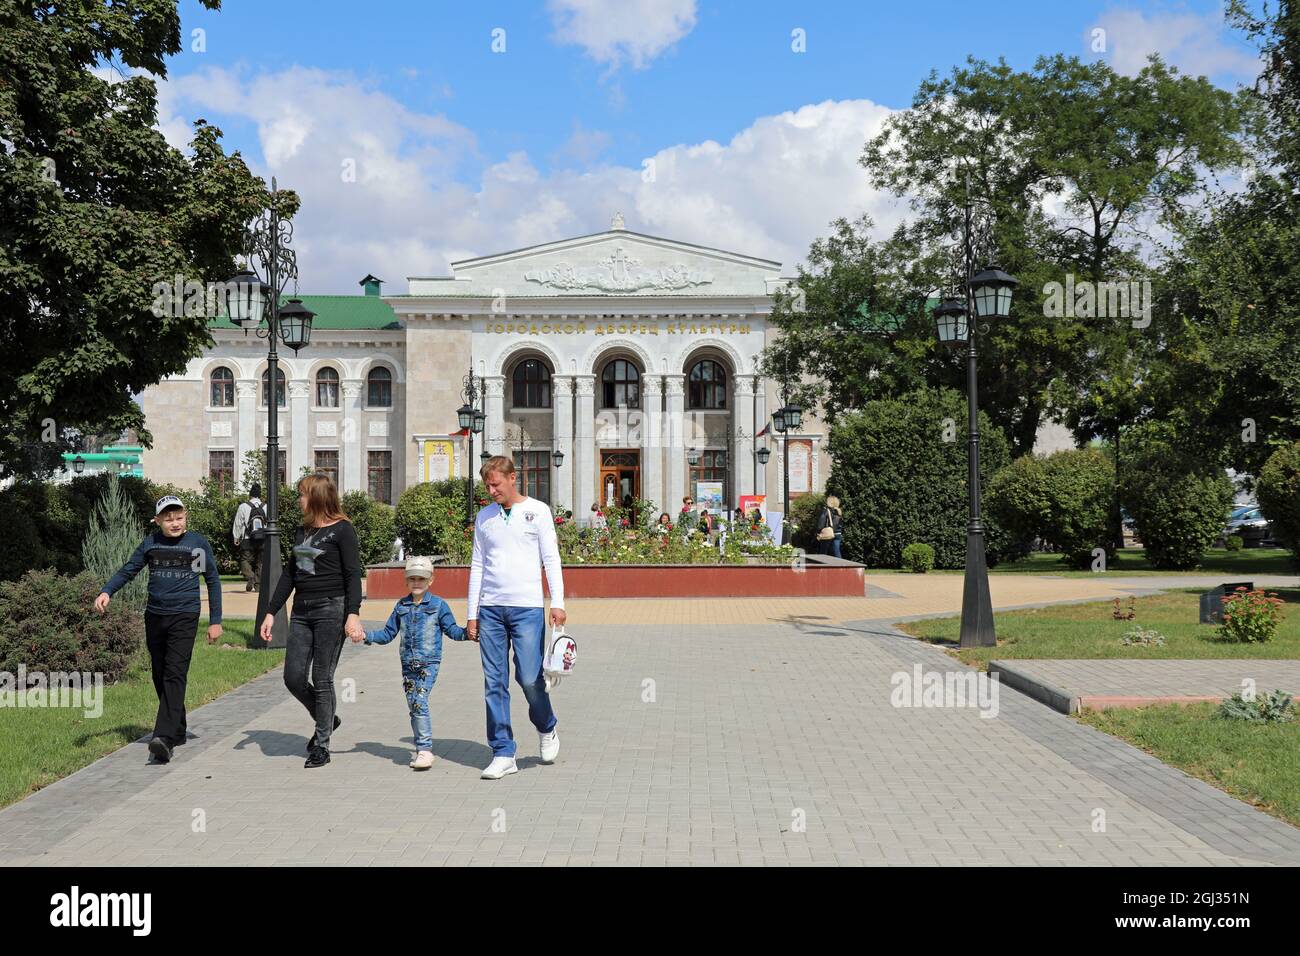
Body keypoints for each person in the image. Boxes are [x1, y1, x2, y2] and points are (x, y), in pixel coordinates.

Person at [94, 495, 222, 765]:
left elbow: (211, 580)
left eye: (179, 517)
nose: (174, 523)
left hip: (185, 615)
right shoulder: (151, 544)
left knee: (175, 673)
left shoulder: (195, 544)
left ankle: (163, 738)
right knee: (160, 673)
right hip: (155, 615)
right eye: (168, 518)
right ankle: (177, 726)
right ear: (158, 520)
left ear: (186, 517)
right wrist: (107, 590)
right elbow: (129, 569)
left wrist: (215, 620)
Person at [467, 456, 566, 780]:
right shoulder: (485, 517)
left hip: (527, 608)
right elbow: (478, 565)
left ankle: (546, 726)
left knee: (528, 678)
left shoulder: (537, 511)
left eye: (495, 484)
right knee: (493, 682)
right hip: (491, 609)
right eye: (487, 485)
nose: (491, 490)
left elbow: (551, 557)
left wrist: (558, 602)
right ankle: (503, 751)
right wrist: (472, 614)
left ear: (513, 478)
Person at [261, 473, 363, 769]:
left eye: (303, 494)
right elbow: (293, 575)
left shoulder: (343, 530)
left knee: (322, 678)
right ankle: (327, 717)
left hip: (332, 610)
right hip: (302, 611)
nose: (299, 500)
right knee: (293, 677)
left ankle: (321, 745)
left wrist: (353, 614)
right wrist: (271, 611)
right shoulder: (303, 532)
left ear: (317, 497)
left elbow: (352, 575)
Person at [354, 556, 467, 770]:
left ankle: (424, 750)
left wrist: (469, 633)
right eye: (413, 579)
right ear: (406, 581)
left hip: (428, 664)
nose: (417, 582)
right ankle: (421, 749)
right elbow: (388, 633)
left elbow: (452, 630)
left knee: (419, 702)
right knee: (413, 706)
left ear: (431, 580)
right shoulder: (401, 606)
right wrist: (365, 635)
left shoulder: (438, 605)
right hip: (408, 666)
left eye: (422, 579)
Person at [231, 483, 267, 592]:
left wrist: (236, 537)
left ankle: (250, 576)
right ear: (260, 495)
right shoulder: (266, 506)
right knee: (261, 561)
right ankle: (258, 586)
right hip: (263, 538)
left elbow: (238, 523)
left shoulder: (243, 506)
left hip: (247, 538)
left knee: (244, 560)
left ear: (250, 495)